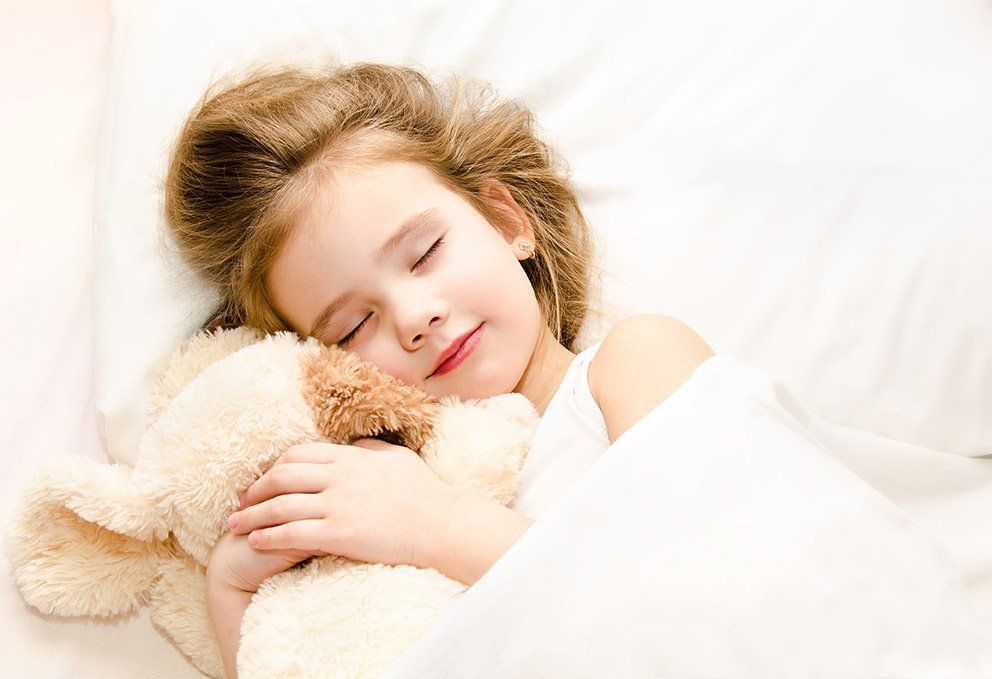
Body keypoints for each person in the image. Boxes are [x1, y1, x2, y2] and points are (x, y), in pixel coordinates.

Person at [163, 60, 714, 678]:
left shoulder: (636, 362)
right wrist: (232, 594)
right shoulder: (374, 498)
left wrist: (432, 524)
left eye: (424, 254)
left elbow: (709, 602)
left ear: (508, 222)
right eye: (352, 326)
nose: (414, 318)